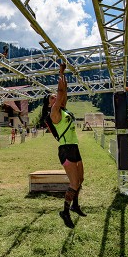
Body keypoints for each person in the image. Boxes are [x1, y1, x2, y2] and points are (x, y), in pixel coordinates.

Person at [41, 63, 86, 229]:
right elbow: (60, 92)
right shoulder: (53, 113)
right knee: (74, 183)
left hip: (74, 147)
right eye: (51, 98)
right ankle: (65, 211)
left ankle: (75, 205)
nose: (55, 97)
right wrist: (60, 72)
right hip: (66, 149)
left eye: (55, 97)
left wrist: (64, 76)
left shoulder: (63, 110)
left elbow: (63, 91)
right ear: (48, 104)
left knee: (80, 180)